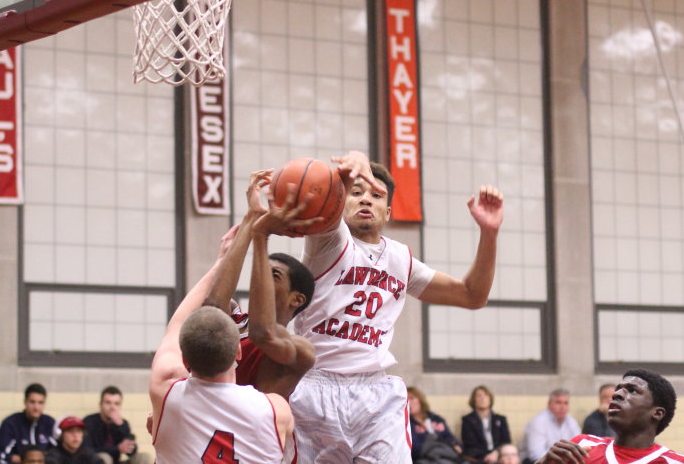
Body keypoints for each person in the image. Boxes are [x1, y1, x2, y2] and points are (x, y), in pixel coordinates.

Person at [285, 150, 504, 463]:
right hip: (315, 387)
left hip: (375, 392)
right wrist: (356, 159)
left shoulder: (401, 259)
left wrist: (489, 233)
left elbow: (472, 296)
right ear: (340, 204)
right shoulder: (329, 241)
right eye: (356, 193)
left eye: (376, 195)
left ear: (387, 212)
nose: (365, 199)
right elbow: (332, 196)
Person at [148, 216, 299, 464]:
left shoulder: (166, 394)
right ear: (238, 351)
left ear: (185, 360)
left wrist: (221, 261)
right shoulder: (276, 410)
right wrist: (258, 234)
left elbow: (176, 325)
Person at [201, 170, 316, 398]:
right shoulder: (236, 321)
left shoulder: (301, 351)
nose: (260, 277)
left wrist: (261, 235)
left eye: (273, 275)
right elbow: (212, 308)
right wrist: (251, 218)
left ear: (297, 298)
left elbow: (262, 333)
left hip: (247, 423)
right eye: (260, 270)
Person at [535, 369, 684, 464]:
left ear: (657, 413)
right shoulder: (581, 447)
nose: (617, 394)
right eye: (618, 389)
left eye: (632, 390)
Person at [83, 387, 150, 464]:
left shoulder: (122, 423)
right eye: (108, 403)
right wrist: (117, 448)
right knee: (104, 457)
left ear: (120, 406)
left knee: (144, 457)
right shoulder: (89, 421)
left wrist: (120, 426)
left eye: (116, 404)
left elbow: (132, 452)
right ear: (100, 405)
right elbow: (87, 451)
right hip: (98, 461)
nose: (112, 407)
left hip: (117, 462)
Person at [0, 384, 56, 463]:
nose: (36, 407)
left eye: (40, 403)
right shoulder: (10, 423)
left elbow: (58, 452)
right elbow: (2, 454)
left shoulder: (49, 423)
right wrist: (27, 460)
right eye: (32, 402)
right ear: (25, 402)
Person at [519, 389, 580, 464]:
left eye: (566, 403)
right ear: (549, 404)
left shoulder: (572, 422)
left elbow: (578, 446)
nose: (562, 407)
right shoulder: (538, 422)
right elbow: (536, 455)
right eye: (558, 402)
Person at [408, 386, 463, 463]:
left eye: (411, 398)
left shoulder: (436, 419)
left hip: (445, 455)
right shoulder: (407, 423)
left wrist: (456, 445)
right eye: (406, 400)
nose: (408, 403)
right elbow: (414, 448)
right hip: (423, 458)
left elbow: (449, 437)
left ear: (420, 400)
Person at [461, 385, 512, 463]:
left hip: (499, 455)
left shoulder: (500, 419)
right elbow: (470, 444)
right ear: (474, 400)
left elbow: (506, 441)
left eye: (486, 395)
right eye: (479, 396)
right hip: (478, 458)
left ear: (490, 399)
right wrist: (486, 456)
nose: (483, 398)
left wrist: (496, 453)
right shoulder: (467, 420)